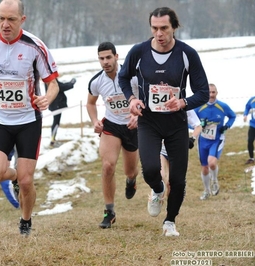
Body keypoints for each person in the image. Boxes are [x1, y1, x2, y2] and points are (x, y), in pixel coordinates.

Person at [118, 7, 209, 237]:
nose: (159, 33)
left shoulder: (187, 54)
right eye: (155, 28)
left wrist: (183, 103)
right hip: (149, 121)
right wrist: (131, 99)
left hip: (176, 123)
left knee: (178, 179)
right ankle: (157, 190)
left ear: (174, 28)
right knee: (149, 169)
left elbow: (202, 92)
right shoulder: (139, 52)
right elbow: (123, 77)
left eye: (164, 28)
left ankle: (170, 221)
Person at [0, 0, 59, 236]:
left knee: (26, 181)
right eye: (1, 18)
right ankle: (13, 175)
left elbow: (53, 83)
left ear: (22, 19)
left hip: (28, 121)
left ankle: (25, 221)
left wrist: (47, 98)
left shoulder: (35, 46)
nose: (5, 24)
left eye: (11, 19)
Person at [87, 42, 139, 229]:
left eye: (109, 57)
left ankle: (131, 181)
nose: (105, 62)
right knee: (108, 166)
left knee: (130, 171)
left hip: (132, 126)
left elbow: (145, 98)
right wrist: (95, 122)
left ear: (117, 57)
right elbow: (90, 103)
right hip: (112, 126)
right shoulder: (96, 81)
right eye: (101, 58)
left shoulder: (132, 76)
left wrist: (137, 116)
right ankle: (109, 211)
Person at [194, 83, 236, 200]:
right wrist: (199, 126)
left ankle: (215, 180)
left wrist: (227, 126)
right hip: (203, 141)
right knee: (204, 168)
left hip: (217, 139)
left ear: (217, 93)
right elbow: (190, 121)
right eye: (209, 92)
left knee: (211, 163)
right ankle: (206, 190)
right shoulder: (199, 107)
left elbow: (232, 116)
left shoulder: (222, 106)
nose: (211, 95)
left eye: (213, 92)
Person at [160, 110, 202, 197]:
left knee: (171, 184)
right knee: (160, 176)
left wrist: (192, 138)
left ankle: (170, 207)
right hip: (161, 149)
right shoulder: (156, 104)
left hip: (176, 150)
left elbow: (198, 125)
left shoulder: (184, 105)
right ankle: (156, 197)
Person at [45, 78, 76, 147]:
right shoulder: (51, 77)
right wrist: (71, 83)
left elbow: (59, 85)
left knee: (56, 122)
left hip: (55, 104)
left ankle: (53, 139)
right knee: (56, 122)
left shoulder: (48, 77)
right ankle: (52, 140)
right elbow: (60, 87)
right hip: (56, 104)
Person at [243, 96, 255, 165]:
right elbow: (247, 107)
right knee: (250, 140)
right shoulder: (252, 99)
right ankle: (251, 158)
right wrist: (245, 115)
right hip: (253, 125)